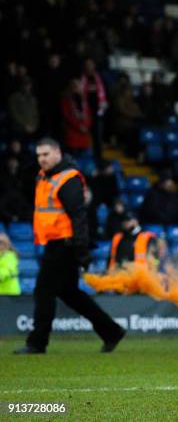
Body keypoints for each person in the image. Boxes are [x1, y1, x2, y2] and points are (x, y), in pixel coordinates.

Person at [14, 138, 125, 354]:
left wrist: (82, 251)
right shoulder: (45, 176)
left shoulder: (68, 179)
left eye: (45, 154)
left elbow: (79, 217)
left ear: (58, 153)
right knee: (70, 294)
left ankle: (37, 343)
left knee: (43, 291)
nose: (41, 159)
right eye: (38, 155)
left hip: (65, 245)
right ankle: (111, 331)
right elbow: (23, 178)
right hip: (56, 243)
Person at [81, 58, 108, 161]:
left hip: (98, 113)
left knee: (98, 137)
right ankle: (84, 159)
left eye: (91, 64)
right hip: (84, 112)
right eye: (87, 65)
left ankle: (98, 158)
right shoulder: (81, 78)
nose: (89, 67)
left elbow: (105, 94)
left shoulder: (99, 78)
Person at [61, 79, 93, 157]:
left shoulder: (84, 100)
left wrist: (86, 126)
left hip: (84, 137)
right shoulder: (66, 100)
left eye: (78, 86)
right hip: (72, 137)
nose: (77, 88)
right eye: (74, 86)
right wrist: (79, 126)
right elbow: (67, 116)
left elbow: (89, 115)